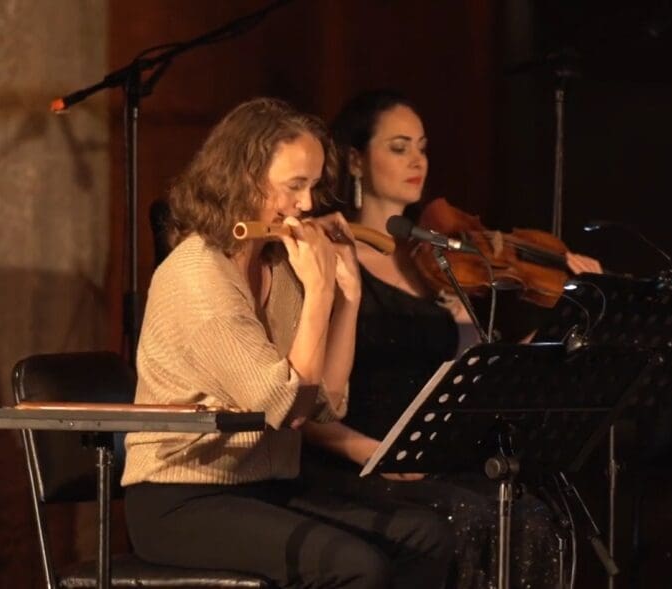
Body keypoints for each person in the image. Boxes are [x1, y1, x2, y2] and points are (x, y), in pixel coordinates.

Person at [120, 97, 453, 589]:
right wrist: (319, 292)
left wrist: (349, 296)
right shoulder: (197, 274)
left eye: (312, 186)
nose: (307, 204)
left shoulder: (277, 263)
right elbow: (283, 404)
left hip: (264, 485)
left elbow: (326, 403)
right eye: (294, 186)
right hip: (182, 497)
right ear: (244, 178)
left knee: (425, 535)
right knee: (355, 566)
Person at [301, 90, 601, 588]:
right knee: (468, 517)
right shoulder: (327, 252)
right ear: (355, 159)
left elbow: (477, 371)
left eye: (422, 147)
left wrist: (566, 314)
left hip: (429, 460)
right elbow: (302, 390)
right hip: (351, 460)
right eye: (399, 147)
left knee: (534, 514)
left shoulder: (434, 259)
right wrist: (369, 452)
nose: (417, 160)